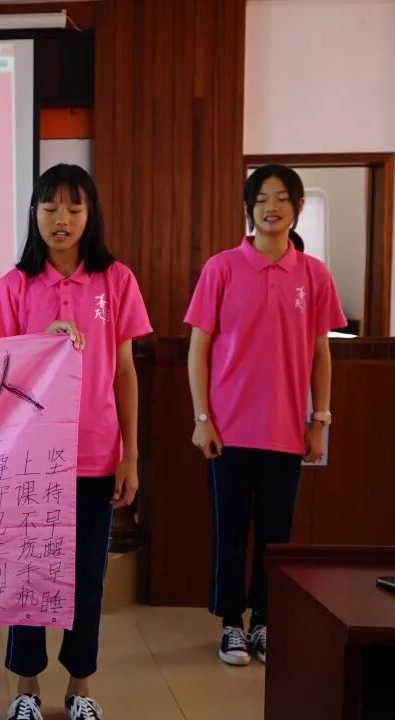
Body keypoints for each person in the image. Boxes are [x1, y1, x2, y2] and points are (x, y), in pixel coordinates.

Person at [0, 164, 151, 720]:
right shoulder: (13, 286)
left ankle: (81, 687)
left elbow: (125, 372)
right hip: (28, 460)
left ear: (90, 214)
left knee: (87, 579)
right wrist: (39, 342)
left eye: (74, 208)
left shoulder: (116, 280)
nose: (62, 219)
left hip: (96, 454)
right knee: (26, 573)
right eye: (50, 207)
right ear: (33, 213)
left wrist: (130, 454)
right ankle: (26, 687)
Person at [185, 164, 345, 667]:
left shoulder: (314, 274)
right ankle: (231, 623)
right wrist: (202, 418)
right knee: (230, 530)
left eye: (281, 198)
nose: (271, 208)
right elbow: (198, 347)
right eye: (261, 199)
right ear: (248, 209)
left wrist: (319, 420)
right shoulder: (222, 268)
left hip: (286, 429)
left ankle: (265, 622)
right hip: (228, 429)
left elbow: (321, 352)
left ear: (298, 207)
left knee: (278, 536)